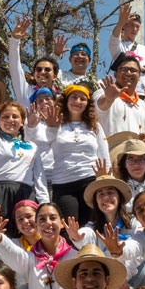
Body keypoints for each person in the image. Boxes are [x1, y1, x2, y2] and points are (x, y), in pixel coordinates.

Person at [29, 84, 110, 226]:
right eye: (74, 97)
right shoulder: (55, 123)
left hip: (89, 180)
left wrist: (106, 179)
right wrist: (52, 128)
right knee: (68, 228)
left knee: (92, 226)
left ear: (88, 103)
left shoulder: (94, 125)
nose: (78, 102)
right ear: (65, 100)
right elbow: (46, 143)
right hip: (63, 183)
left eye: (82, 99)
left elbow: (104, 154)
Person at [0, 202, 78, 289]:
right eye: (42, 219)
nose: (48, 223)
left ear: (62, 223)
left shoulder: (74, 256)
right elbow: (10, 252)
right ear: (37, 225)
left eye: (52, 218)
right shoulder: (31, 258)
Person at [0, 99, 49, 224]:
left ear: (21, 122)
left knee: (24, 233)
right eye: (5, 117)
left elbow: (39, 178)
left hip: (24, 193)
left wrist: (45, 203)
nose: (10, 120)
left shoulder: (32, 146)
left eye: (15, 116)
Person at [95, 52, 145, 151]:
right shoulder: (103, 92)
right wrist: (109, 99)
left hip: (136, 158)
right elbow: (100, 105)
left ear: (139, 76)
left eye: (133, 70)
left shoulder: (144, 105)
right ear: (115, 73)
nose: (128, 73)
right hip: (109, 155)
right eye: (123, 69)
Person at [109, 4, 145, 94]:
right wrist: (120, 23)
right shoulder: (120, 47)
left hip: (144, 93)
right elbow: (114, 39)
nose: (134, 29)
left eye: (137, 26)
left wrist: (141, 68)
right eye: (131, 25)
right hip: (123, 92)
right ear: (124, 26)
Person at [115, 139, 145, 211]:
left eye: (141, 159)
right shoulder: (119, 190)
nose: (136, 164)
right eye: (131, 160)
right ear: (124, 164)